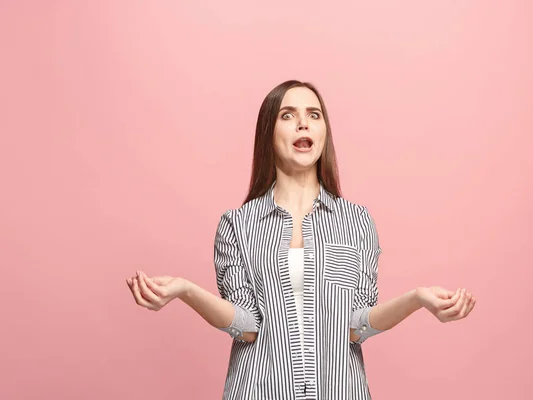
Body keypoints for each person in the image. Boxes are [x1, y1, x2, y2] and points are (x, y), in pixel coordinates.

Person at [126, 80, 476, 399]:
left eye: (314, 114)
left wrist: (417, 299)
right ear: (268, 133)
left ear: (324, 132)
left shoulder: (356, 222)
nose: (303, 123)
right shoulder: (237, 225)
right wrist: (185, 290)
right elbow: (246, 326)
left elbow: (356, 326)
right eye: (288, 115)